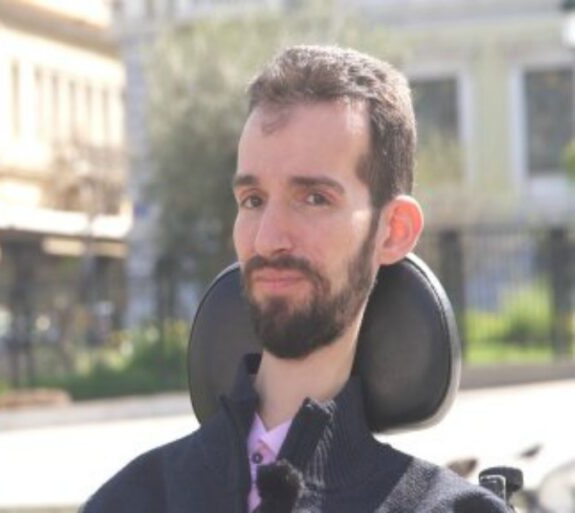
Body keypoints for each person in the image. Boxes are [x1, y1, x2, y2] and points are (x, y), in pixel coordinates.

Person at [83, 46, 508, 512]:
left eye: (314, 199)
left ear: (393, 230)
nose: (267, 240)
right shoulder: (135, 499)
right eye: (253, 200)